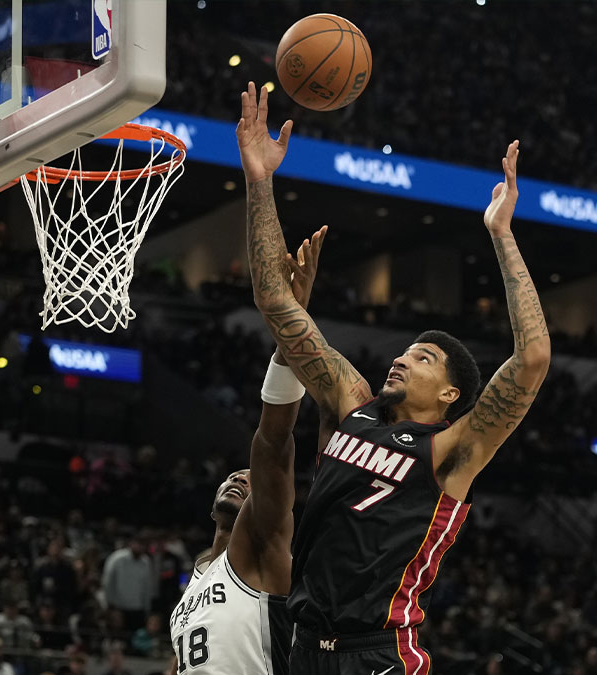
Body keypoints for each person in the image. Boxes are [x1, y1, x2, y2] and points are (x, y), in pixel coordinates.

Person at [236, 82, 551, 674]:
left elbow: (532, 357)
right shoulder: (352, 402)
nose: (402, 360)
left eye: (423, 358)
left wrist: (502, 235)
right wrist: (260, 181)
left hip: (378, 654)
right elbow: (275, 300)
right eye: (405, 352)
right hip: (304, 646)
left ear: (451, 394)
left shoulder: (452, 451)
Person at [166, 228, 325, 675]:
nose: (241, 476)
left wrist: (290, 326)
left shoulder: (260, 546)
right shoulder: (195, 582)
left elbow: (273, 442)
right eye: (234, 475)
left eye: (251, 480)